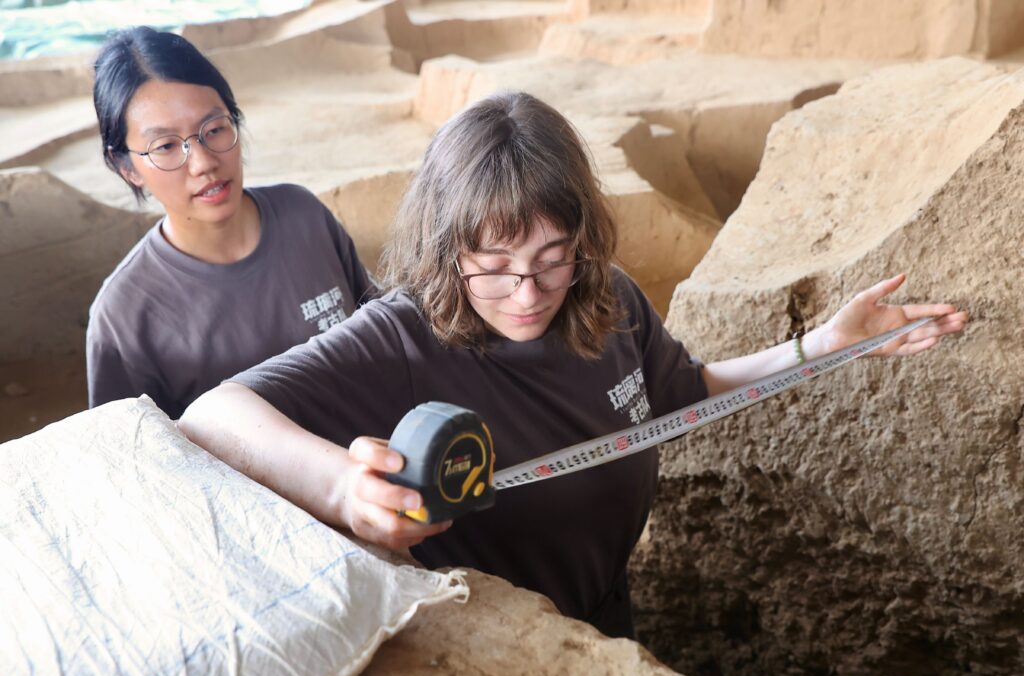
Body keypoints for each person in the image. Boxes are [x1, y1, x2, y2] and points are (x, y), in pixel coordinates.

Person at [178, 91, 968, 638]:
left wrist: (822, 346)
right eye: (494, 264)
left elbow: (686, 393)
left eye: (554, 257)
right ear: (446, 247)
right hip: (492, 652)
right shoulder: (401, 337)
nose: (528, 292)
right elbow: (212, 414)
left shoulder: (608, 297)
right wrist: (343, 487)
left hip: (609, 610)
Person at [86, 27, 376, 419]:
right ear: (127, 167)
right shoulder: (124, 317)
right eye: (166, 146)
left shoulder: (305, 216)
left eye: (215, 129)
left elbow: (382, 340)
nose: (204, 163)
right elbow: (131, 462)